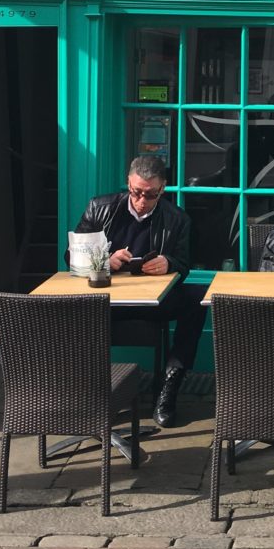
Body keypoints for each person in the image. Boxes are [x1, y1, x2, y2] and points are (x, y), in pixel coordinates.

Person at [71, 155, 207, 428]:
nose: (142, 201)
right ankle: (84, 395)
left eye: (150, 194)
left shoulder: (177, 218)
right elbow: (72, 257)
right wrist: (103, 261)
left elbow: (184, 262)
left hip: (153, 301)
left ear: (163, 189)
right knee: (69, 307)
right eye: (136, 192)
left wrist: (169, 262)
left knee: (196, 298)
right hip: (106, 301)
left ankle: (170, 387)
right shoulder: (100, 208)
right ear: (127, 184)